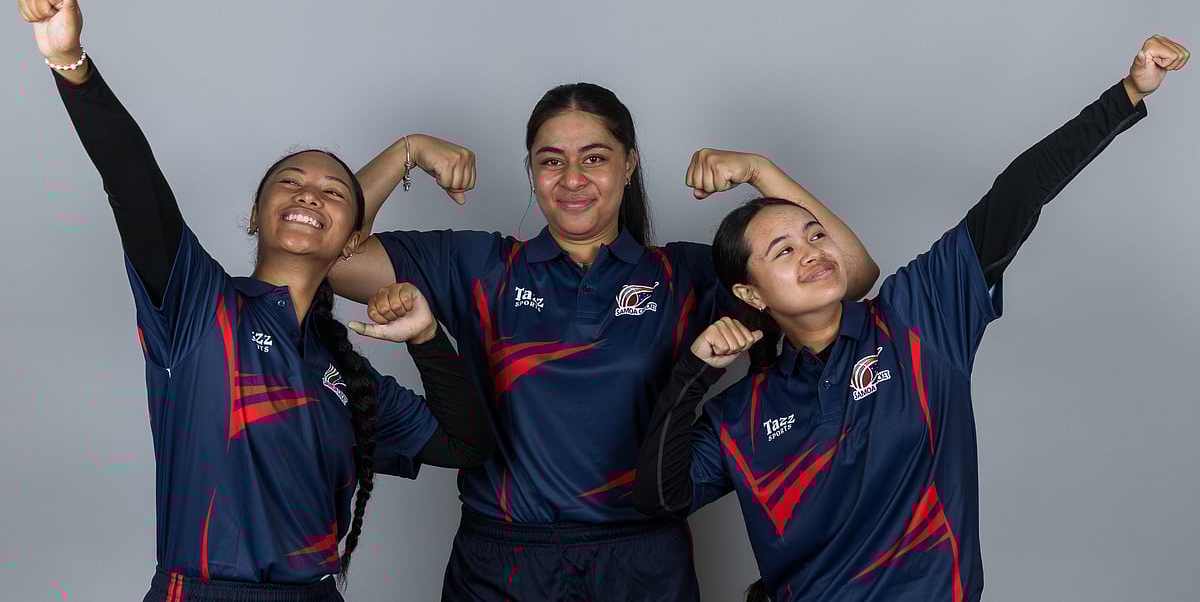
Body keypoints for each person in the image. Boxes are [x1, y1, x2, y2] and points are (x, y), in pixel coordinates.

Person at [633, 35, 1190, 601]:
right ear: (751, 295)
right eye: (783, 251)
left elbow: (1016, 196)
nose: (812, 252)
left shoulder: (916, 319)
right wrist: (692, 376)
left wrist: (1125, 95)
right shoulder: (742, 413)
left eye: (816, 234)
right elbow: (660, 495)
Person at [18, 0, 495, 602]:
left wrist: (430, 340)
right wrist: (73, 64)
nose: (307, 196)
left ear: (353, 239)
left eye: (332, 193)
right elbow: (133, 183)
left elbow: (467, 446)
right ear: (256, 214)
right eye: (290, 183)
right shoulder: (200, 306)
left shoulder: (349, 378)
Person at [329, 84, 880, 599]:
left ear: (629, 164)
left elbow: (852, 276)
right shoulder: (480, 265)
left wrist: (761, 172)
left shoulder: (684, 274)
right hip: (504, 559)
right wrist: (407, 151)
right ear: (531, 172)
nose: (573, 178)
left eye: (594, 157)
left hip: (642, 558)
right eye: (551, 161)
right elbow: (330, 259)